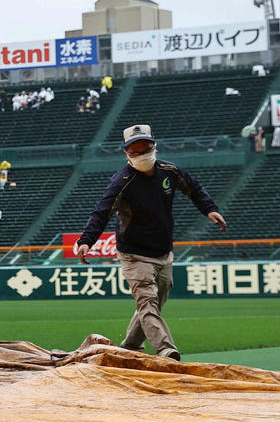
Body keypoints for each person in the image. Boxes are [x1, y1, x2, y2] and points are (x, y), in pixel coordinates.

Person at [75, 124, 227, 361]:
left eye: (145, 147)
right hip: (134, 255)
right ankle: (166, 350)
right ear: (127, 154)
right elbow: (101, 212)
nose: (141, 154)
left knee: (153, 305)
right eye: (134, 150)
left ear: (154, 146)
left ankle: (130, 347)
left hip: (164, 252)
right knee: (147, 301)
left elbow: (194, 187)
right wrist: (86, 240)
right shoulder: (121, 181)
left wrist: (209, 209)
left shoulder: (169, 171)